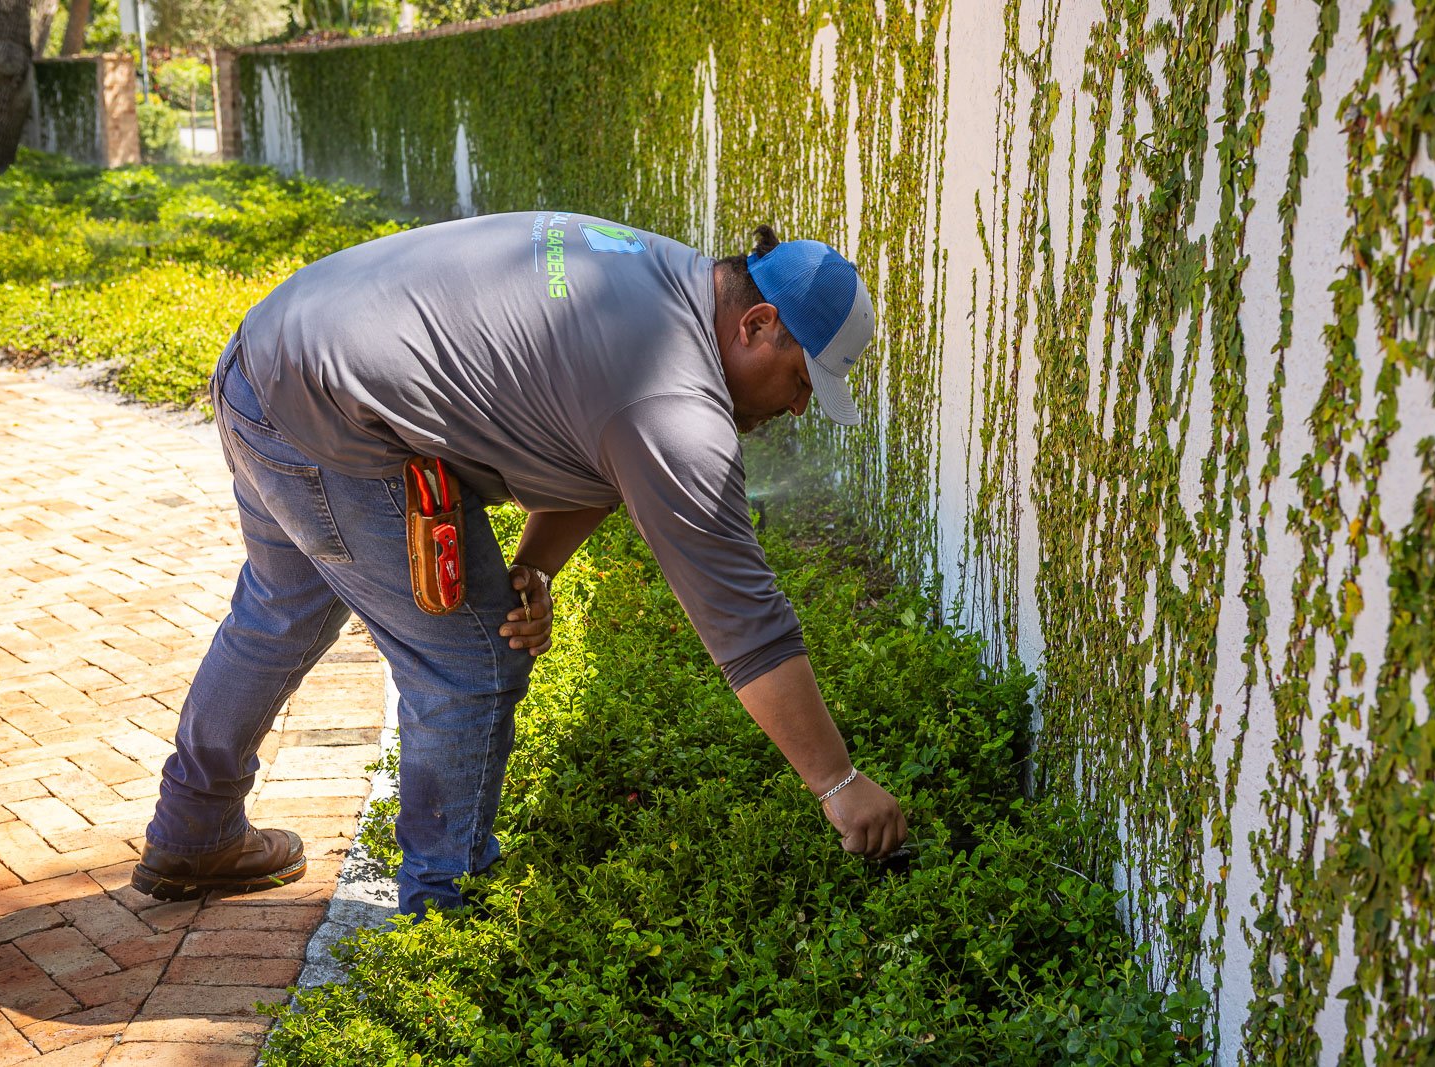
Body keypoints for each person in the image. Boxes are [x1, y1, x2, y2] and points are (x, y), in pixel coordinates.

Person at [131, 211, 909, 916]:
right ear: (759, 323)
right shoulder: (676, 401)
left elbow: (597, 443)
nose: (799, 408)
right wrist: (838, 784)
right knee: (472, 667)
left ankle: (194, 830)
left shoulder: (671, 277)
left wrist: (531, 567)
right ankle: (444, 910)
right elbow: (748, 624)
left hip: (272, 354)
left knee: (277, 614)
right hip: (338, 412)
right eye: (803, 380)